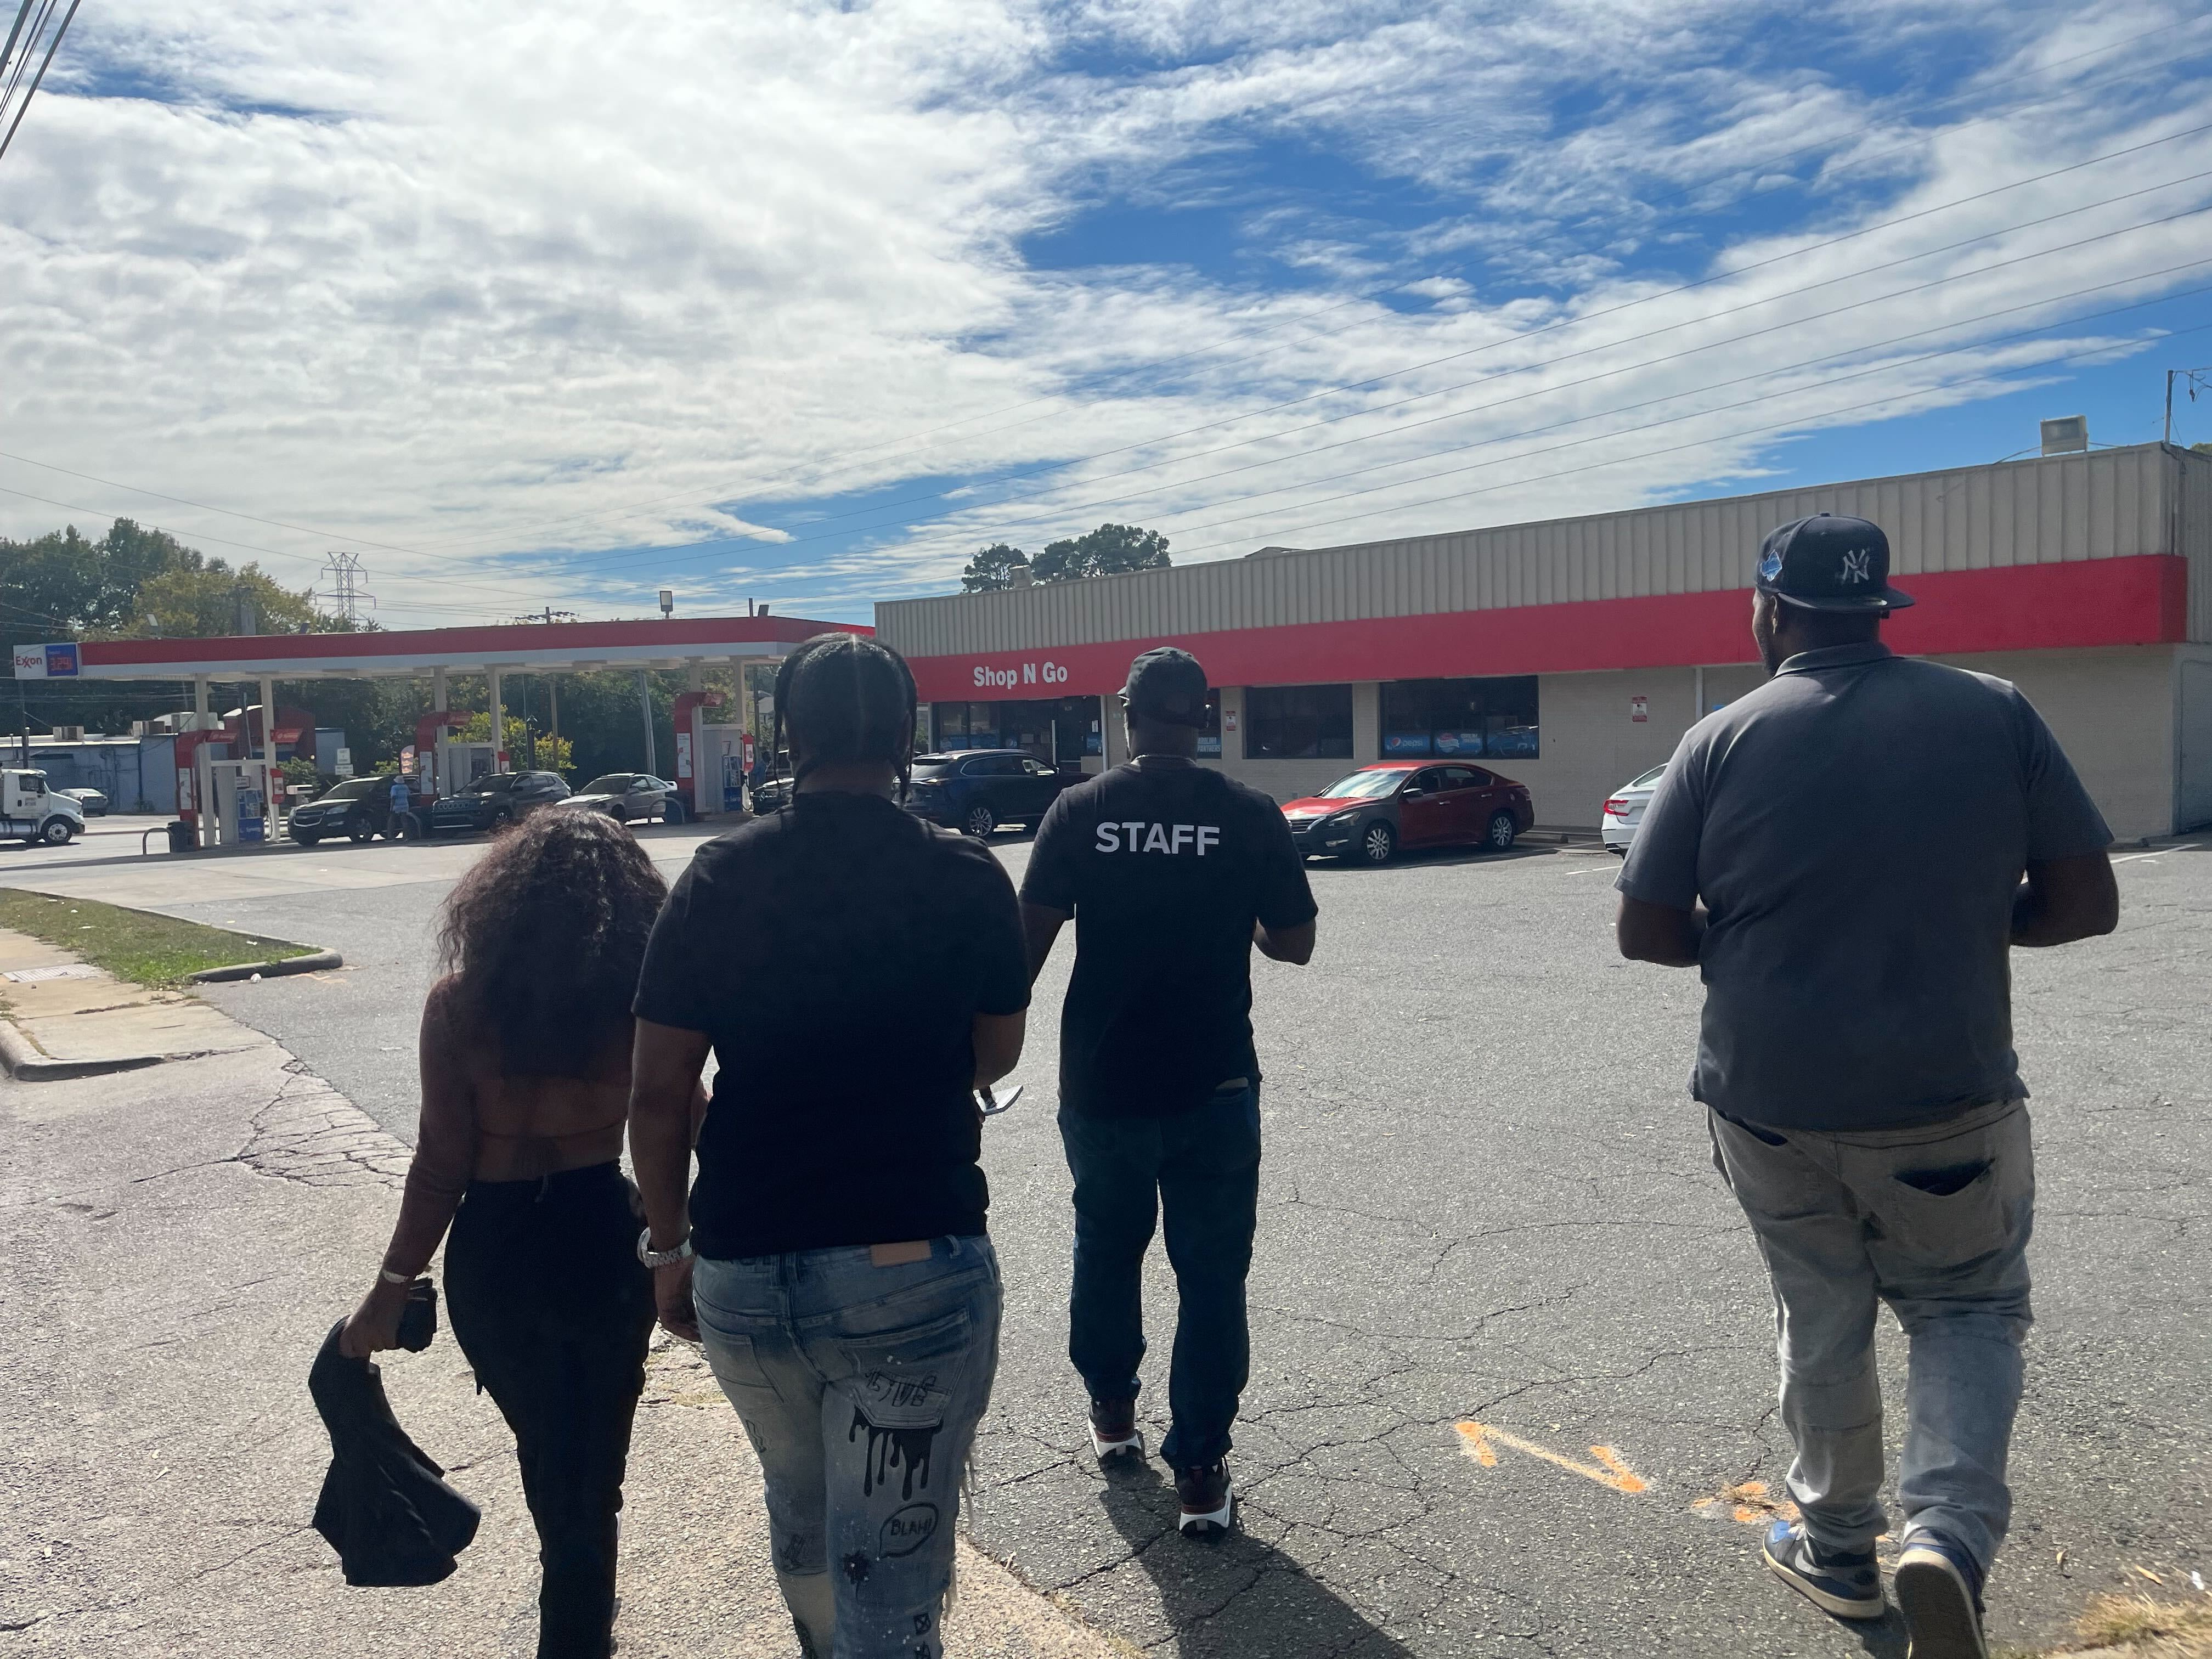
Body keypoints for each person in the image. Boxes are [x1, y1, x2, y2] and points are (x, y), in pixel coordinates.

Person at [1615, 514, 2118, 1658]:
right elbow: (2089, 902)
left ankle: (1837, 1549)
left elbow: (1646, 930)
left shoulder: (1720, 739)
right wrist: (1970, 926)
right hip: (1949, 1092)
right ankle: (1944, 1536)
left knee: (1822, 1307)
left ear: (1773, 611)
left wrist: (1748, 945)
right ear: (1880, 609)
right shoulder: (1993, 711)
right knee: (1967, 1303)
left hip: (1768, 1097)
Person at [628, 633, 1028, 1659]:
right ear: (905, 735)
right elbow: (995, 1051)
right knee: (889, 1581)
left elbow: (658, 1090)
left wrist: (668, 1247)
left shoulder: (718, 877)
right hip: (911, 1269)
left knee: (801, 1505)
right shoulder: (965, 873)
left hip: (749, 1272)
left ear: (784, 736)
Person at [342, 810, 675, 1658]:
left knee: (547, 1450)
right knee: (593, 1472)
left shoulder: (458, 1008)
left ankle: (572, 1611)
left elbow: (439, 1164)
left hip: (495, 1255)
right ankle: (577, 1620)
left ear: (500, 903)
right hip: (602, 1235)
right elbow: (673, 1120)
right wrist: (682, 1242)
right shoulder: (641, 1005)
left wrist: (389, 1288)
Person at [1019, 647, 1318, 1537]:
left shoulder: (1081, 810)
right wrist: (1250, 929)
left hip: (1102, 1082)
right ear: (1206, 717)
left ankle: (1113, 1411)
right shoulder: (1248, 814)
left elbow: (1020, 952)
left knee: (1106, 1247)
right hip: (1215, 1081)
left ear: (1126, 714)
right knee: (1212, 1274)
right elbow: (1294, 940)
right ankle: (1199, 1468)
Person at [386, 769, 415, 840]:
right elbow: (409, 794)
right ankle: (406, 836)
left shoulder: (394, 788)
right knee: (404, 821)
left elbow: (393, 797)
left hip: (396, 806)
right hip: (405, 805)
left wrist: (391, 808)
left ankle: (390, 837)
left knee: (391, 821)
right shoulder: (405, 787)